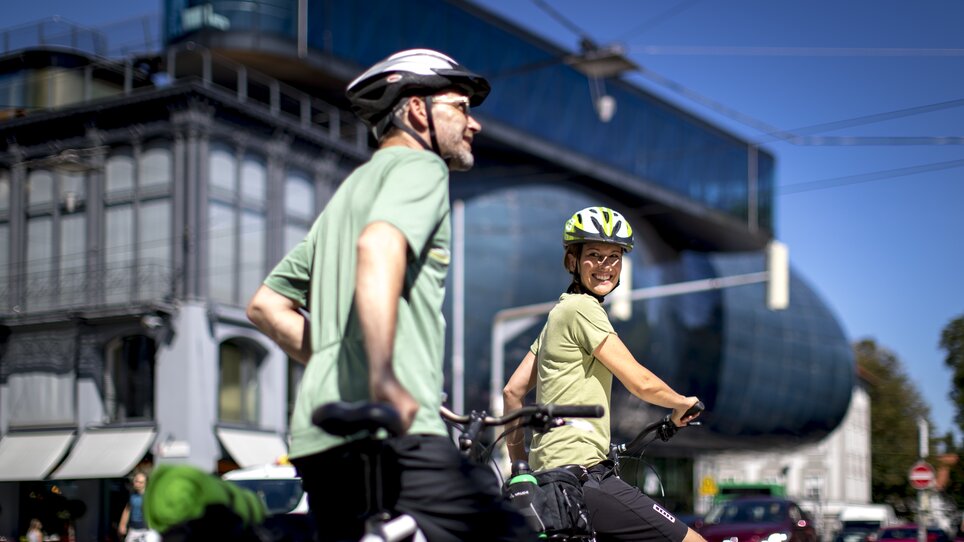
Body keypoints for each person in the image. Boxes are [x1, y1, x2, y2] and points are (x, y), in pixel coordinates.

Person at [246, 48, 530, 541]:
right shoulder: (422, 170)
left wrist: (348, 362)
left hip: (319, 438)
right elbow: (378, 247)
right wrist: (383, 380)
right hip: (395, 435)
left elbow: (266, 306)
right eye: (460, 108)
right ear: (417, 110)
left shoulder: (347, 195)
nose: (474, 124)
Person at [503, 206, 707, 542]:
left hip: (550, 484)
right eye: (594, 255)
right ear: (573, 261)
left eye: (614, 257)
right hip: (584, 479)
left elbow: (512, 391)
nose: (605, 266)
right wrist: (681, 402)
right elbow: (639, 381)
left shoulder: (559, 314)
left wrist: (520, 467)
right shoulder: (583, 309)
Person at [119, 470, 159, 542]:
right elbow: (127, 510)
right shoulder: (132, 494)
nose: (137, 484)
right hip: (133, 530)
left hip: (147, 531)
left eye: (141, 482)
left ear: (145, 483)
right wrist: (122, 524)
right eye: (136, 481)